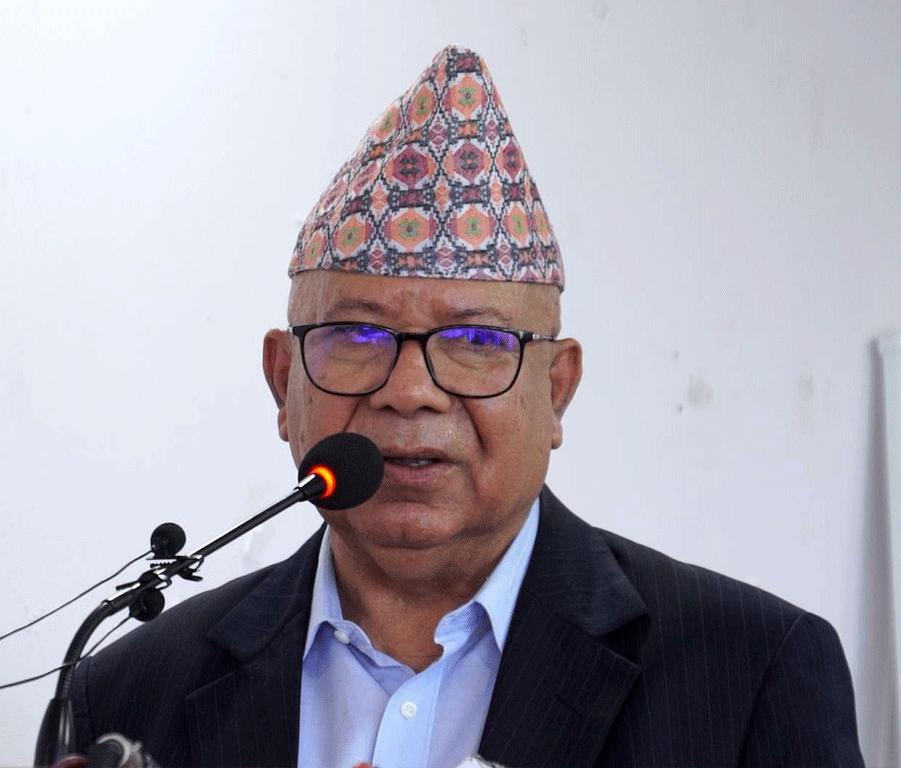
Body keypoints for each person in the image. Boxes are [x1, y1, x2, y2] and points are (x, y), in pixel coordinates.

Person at [70, 45, 864, 767]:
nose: (409, 390)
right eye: (357, 334)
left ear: (556, 390)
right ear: (283, 382)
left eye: (476, 342)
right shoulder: (129, 690)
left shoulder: (749, 674)